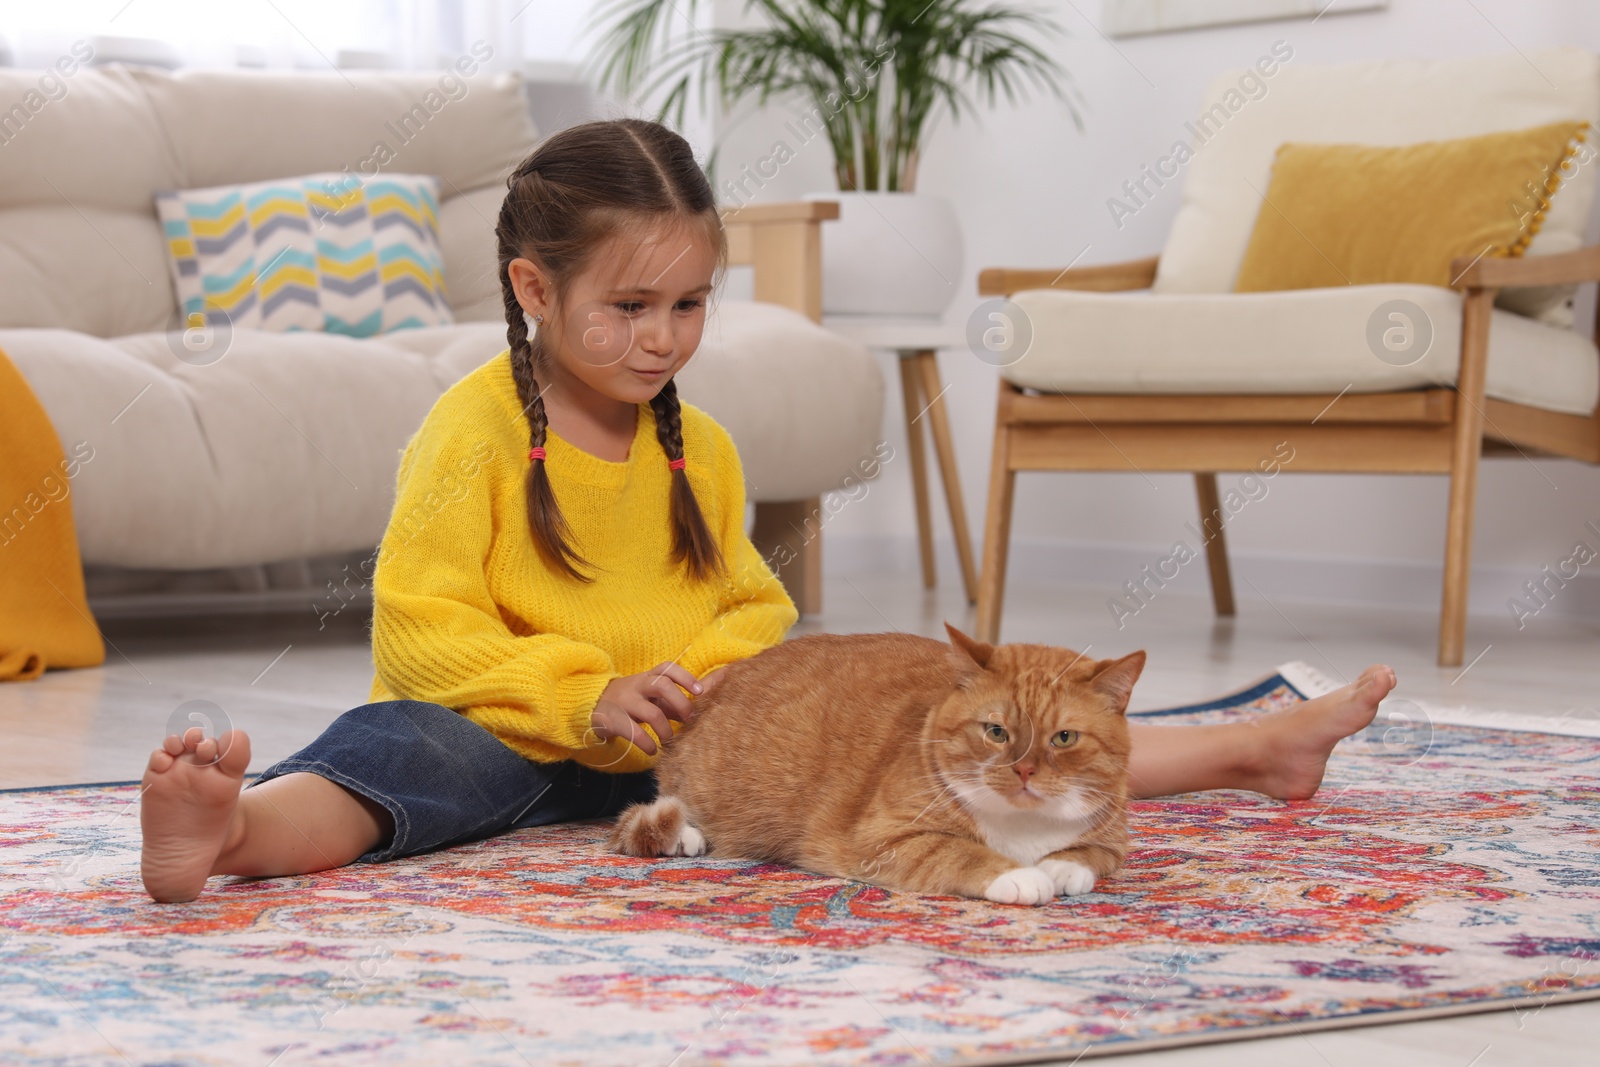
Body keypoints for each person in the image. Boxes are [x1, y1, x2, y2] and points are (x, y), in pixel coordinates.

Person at [138, 118, 1396, 904]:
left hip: (696, 752)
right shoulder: (468, 431)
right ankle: (229, 830)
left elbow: (750, 600)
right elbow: (420, 624)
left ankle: (1248, 748)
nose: (661, 336)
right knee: (393, 760)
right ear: (533, 285)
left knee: (960, 744)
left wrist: (721, 679)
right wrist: (584, 693)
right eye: (630, 306)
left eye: (688, 305)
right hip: (514, 731)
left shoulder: (706, 449)